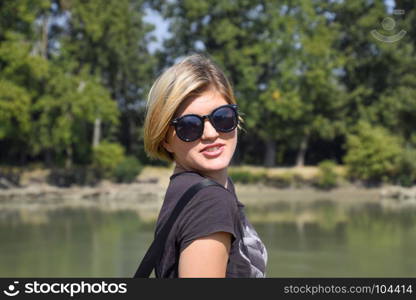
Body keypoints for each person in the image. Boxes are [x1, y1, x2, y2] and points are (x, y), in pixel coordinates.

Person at [143, 54, 267, 278]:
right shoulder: (209, 202)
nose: (211, 134)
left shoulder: (196, 189)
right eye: (189, 126)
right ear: (165, 139)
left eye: (222, 117)